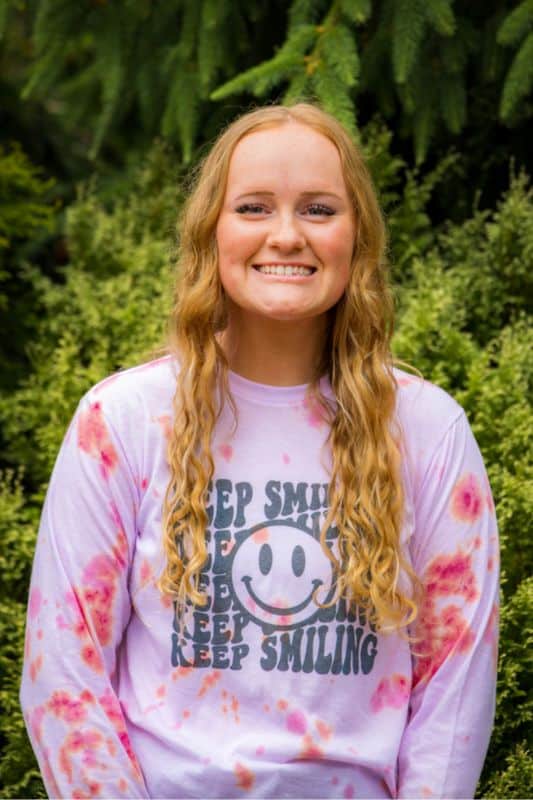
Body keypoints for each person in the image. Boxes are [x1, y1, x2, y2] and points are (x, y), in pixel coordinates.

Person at [20, 103, 499, 799]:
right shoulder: (121, 422)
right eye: (252, 207)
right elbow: (65, 671)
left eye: (317, 209)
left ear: (356, 237)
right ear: (210, 231)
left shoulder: (426, 429)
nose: (285, 235)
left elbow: (455, 684)